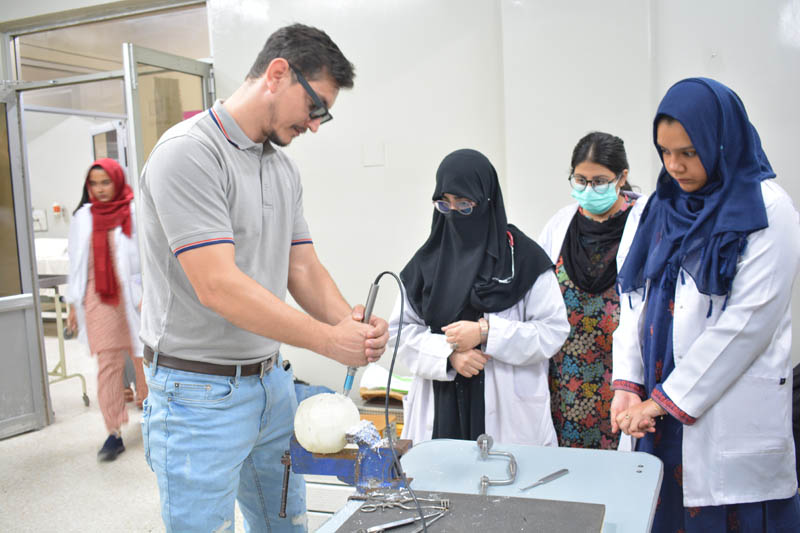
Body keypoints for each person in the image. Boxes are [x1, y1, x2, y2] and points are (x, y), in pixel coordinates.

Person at [138, 24, 388, 532]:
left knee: (285, 526)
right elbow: (219, 287)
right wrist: (326, 340)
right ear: (277, 74)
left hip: (270, 384)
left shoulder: (282, 169)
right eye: (315, 107)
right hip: (197, 396)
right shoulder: (189, 153)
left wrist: (350, 324)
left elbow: (303, 267)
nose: (316, 125)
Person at [612, 77, 800, 531]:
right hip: (654, 412)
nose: (674, 165)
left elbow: (747, 327)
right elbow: (634, 302)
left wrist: (661, 402)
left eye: (688, 153)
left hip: (720, 410)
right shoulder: (653, 207)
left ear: (722, 141)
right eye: (664, 152)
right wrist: (628, 385)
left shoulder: (768, 212)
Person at [388, 149, 569, 446]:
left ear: (487, 202)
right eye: (444, 205)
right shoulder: (425, 265)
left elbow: (553, 331)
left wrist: (486, 333)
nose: (454, 214)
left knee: (506, 486)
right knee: (440, 487)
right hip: (442, 408)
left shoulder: (523, 260)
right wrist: (449, 356)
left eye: (465, 205)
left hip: (510, 419)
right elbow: (400, 335)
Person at [538, 132, 645, 450]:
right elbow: (536, 291)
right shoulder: (560, 225)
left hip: (624, 377)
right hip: (568, 382)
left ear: (622, 177)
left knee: (622, 473)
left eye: (599, 181)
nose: (588, 189)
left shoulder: (646, 222)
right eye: (580, 180)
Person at [65, 158, 147, 461]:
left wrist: (148, 292)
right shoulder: (83, 218)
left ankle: (152, 419)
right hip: (98, 297)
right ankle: (113, 432)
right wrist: (74, 304)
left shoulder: (135, 213)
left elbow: (147, 258)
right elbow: (74, 264)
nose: (99, 190)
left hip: (134, 295)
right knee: (108, 366)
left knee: (144, 361)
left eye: (105, 182)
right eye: (94, 184)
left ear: (117, 181)